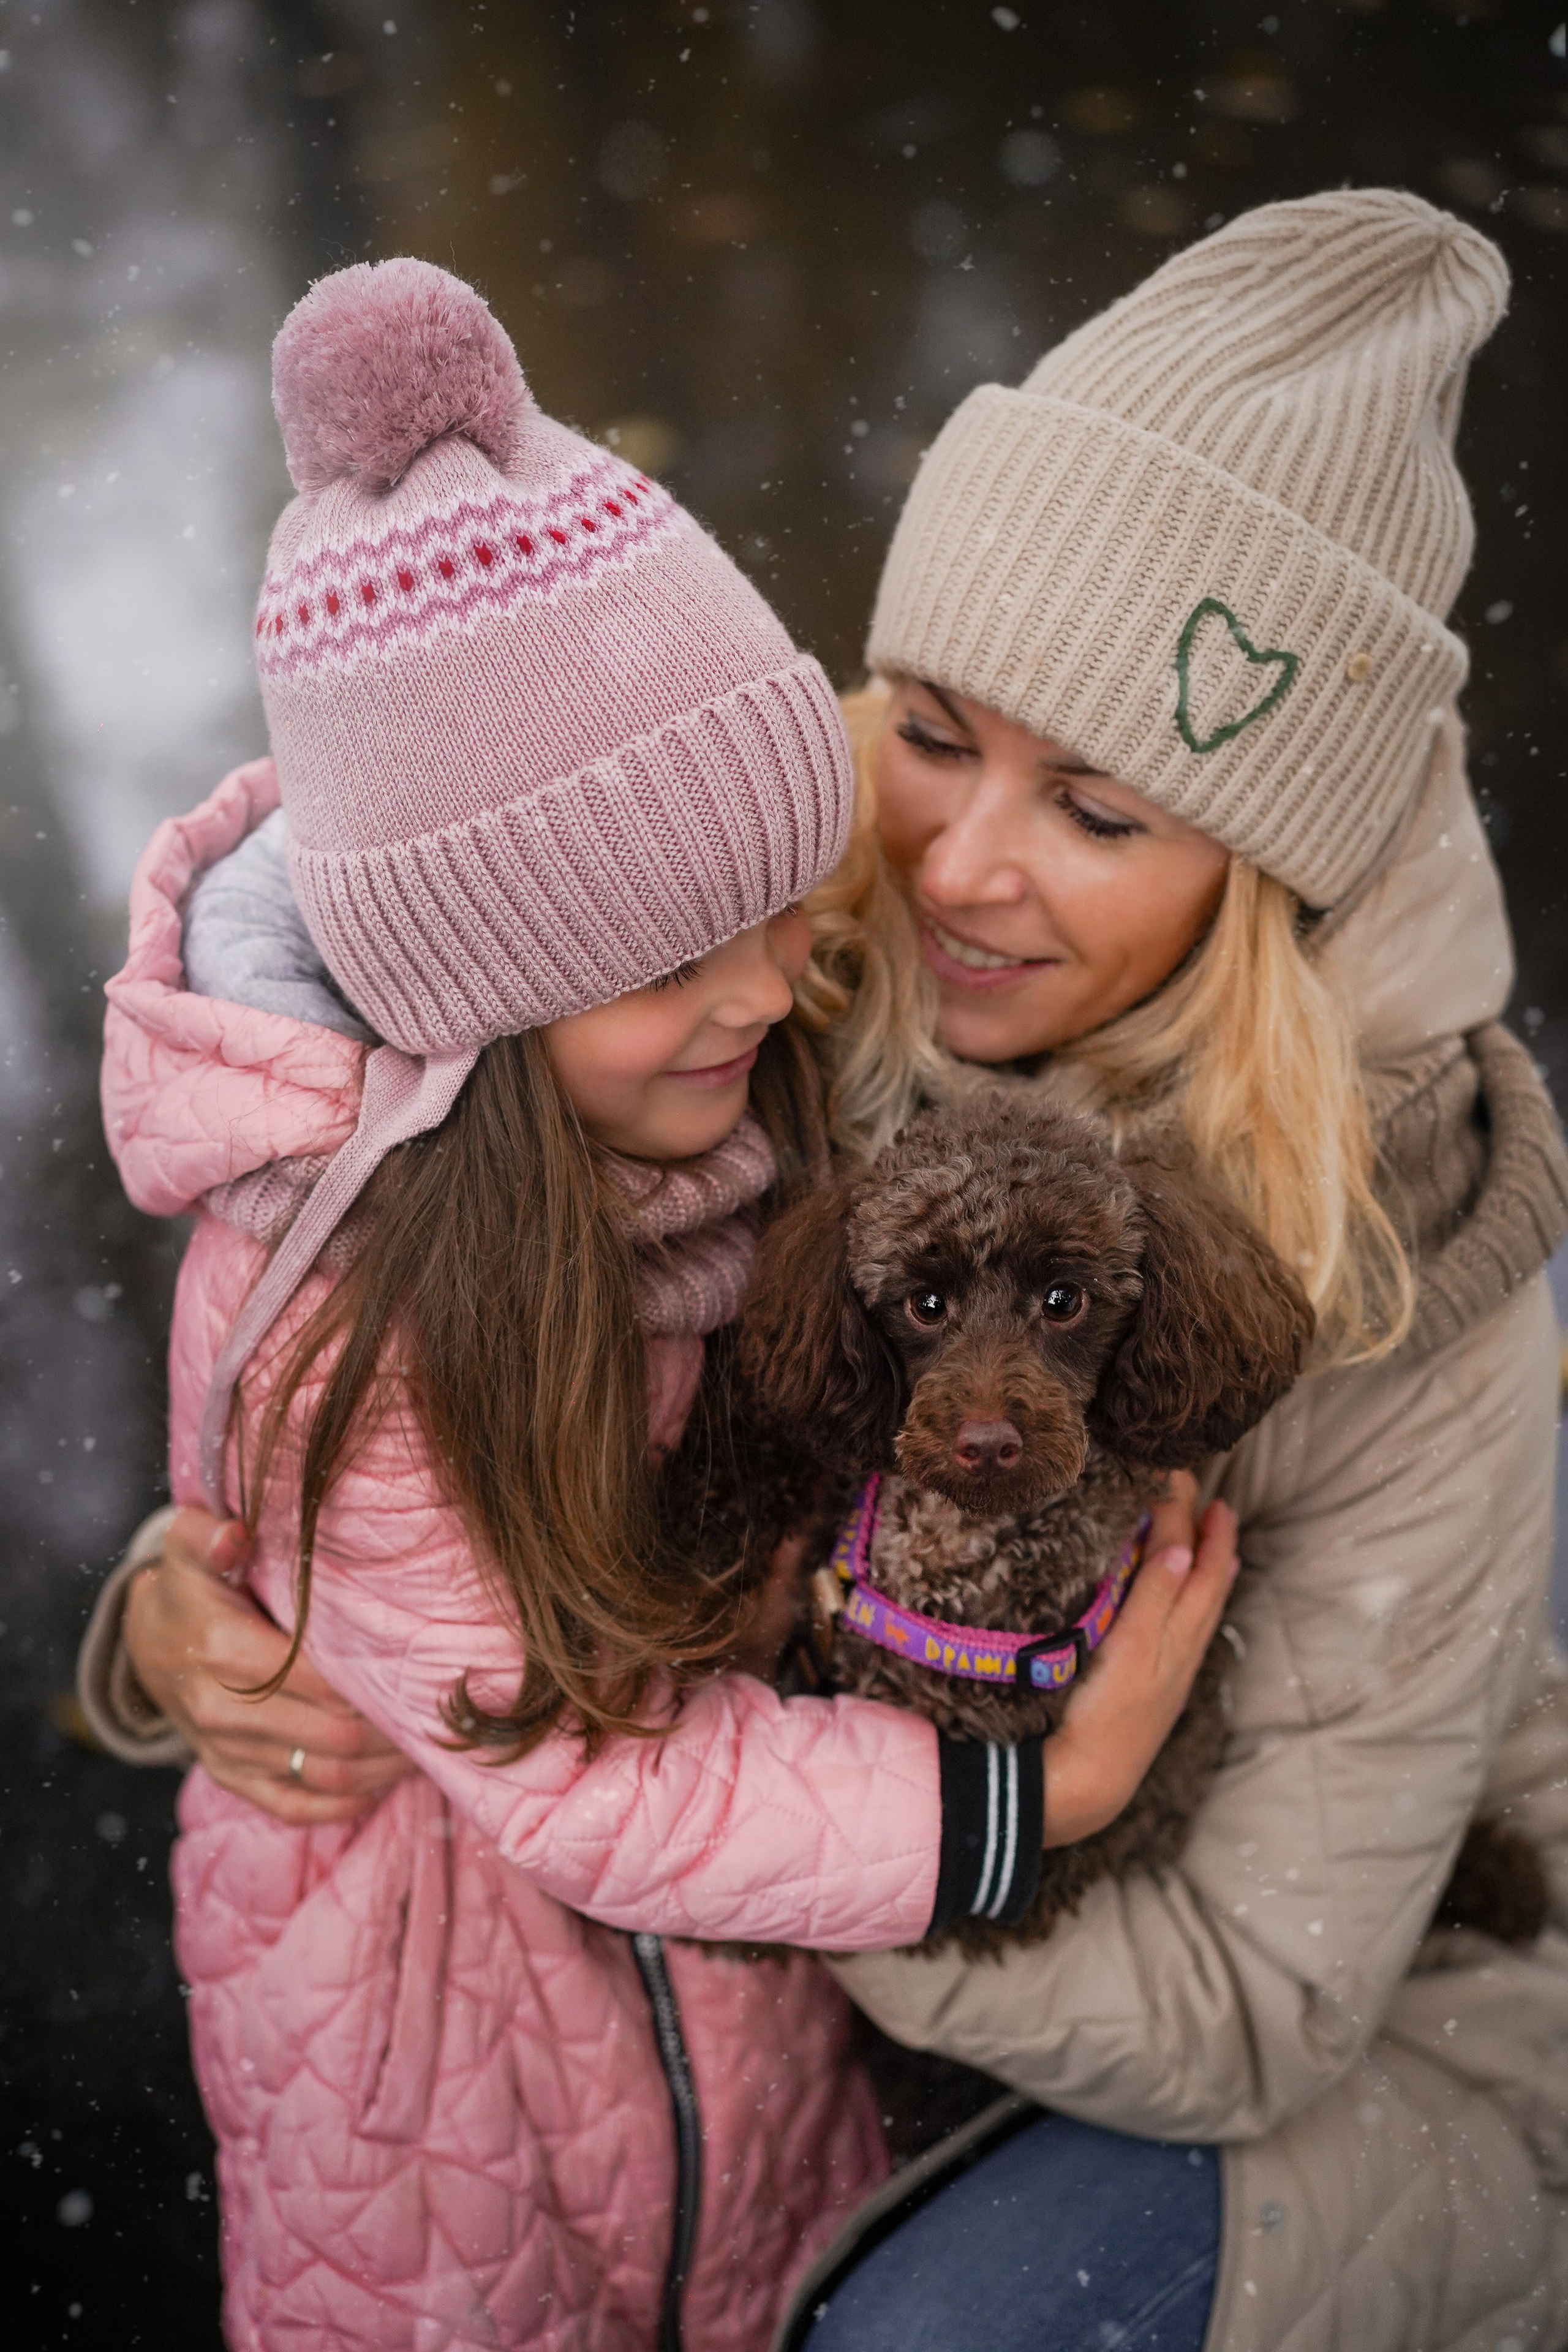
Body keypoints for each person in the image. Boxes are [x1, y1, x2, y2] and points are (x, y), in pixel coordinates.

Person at [88, 190, 1568, 2349]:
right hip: (835, 1940)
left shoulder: (1389, 1246)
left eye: (1103, 807)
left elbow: (1260, 2008)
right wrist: (218, 1588)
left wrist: (834, 1822)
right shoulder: (770, 957)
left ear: (1266, 866)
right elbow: (444, 1349)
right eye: (941, 727)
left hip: (1330, 2028)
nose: (958, 863)